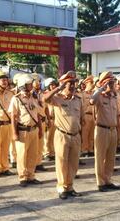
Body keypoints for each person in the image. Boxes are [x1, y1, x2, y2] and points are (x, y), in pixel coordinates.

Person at [43, 71, 83, 200]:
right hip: (62, 135)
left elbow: (80, 117)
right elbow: (45, 99)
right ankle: (62, 188)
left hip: (76, 135)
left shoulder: (78, 99)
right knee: (61, 162)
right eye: (68, 83)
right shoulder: (57, 98)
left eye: (73, 83)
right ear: (63, 84)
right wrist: (57, 88)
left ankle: (70, 186)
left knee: (73, 163)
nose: (71, 86)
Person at [9, 74, 44, 187]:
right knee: (22, 155)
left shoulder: (34, 97)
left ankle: (31, 175)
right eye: (29, 84)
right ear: (23, 85)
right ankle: (23, 177)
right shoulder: (16, 99)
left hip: (34, 129)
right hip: (23, 130)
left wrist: (40, 129)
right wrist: (14, 132)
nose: (32, 86)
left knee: (32, 154)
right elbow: (13, 117)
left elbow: (37, 114)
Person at [90, 71, 120, 192]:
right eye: (111, 82)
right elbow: (92, 100)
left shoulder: (114, 96)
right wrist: (101, 87)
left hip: (113, 130)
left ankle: (108, 179)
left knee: (110, 157)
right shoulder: (99, 96)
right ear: (105, 84)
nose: (113, 84)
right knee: (100, 157)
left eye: (113, 82)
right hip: (102, 129)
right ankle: (100, 182)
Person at [43, 78, 58, 161]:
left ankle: (52, 152)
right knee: (47, 137)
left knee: (53, 137)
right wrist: (47, 119)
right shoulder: (45, 95)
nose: (53, 86)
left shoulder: (56, 95)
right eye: (51, 85)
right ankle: (46, 153)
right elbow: (44, 108)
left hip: (56, 119)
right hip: (48, 118)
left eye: (54, 85)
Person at [80, 75, 95, 157]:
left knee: (92, 134)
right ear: (87, 84)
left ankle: (90, 149)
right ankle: (84, 150)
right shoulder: (82, 94)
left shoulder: (94, 94)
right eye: (91, 83)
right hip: (86, 115)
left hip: (93, 115)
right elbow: (81, 107)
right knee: (85, 134)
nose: (92, 84)